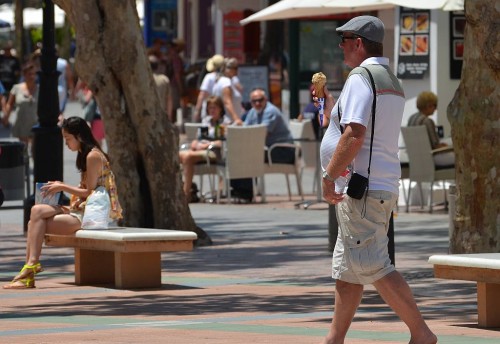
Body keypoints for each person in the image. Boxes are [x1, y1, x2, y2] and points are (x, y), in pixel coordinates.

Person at [319, 16, 437, 343]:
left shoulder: (361, 77)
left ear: (359, 43)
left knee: (375, 266)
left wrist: (329, 176)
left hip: (361, 190)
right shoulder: (391, 80)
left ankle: (422, 333)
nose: (340, 46)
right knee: (348, 273)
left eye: (344, 40)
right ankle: (334, 338)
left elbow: (354, 133)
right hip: (379, 186)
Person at [3, 116, 122, 289]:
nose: (66, 144)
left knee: (34, 223)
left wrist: (62, 187)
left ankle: (29, 272)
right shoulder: (85, 154)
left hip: (90, 214)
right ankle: (30, 267)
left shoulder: (93, 156)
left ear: (79, 136)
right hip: (81, 208)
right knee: (36, 211)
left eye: (67, 139)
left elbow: (90, 192)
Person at [179, 96, 229, 202]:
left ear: (220, 108)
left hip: (215, 152)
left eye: (215, 107)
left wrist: (207, 145)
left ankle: (185, 193)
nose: (212, 110)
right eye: (210, 108)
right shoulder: (206, 121)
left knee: (187, 156)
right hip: (201, 150)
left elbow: (223, 142)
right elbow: (200, 138)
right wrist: (195, 143)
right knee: (179, 155)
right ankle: (185, 187)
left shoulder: (224, 123)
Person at [245, 88, 295, 164]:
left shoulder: (271, 111)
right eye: (254, 101)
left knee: (248, 156)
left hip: (284, 150)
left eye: (260, 100)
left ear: (265, 99)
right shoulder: (252, 111)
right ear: (250, 102)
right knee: (242, 155)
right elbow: (245, 130)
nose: (257, 103)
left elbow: (261, 135)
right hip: (270, 149)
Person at [407, 91, 454, 167]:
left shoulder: (411, 118)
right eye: (435, 106)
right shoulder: (427, 121)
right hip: (430, 159)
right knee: (461, 157)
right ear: (428, 105)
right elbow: (436, 147)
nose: (436, 109)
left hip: (416, 159)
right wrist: (451, 148)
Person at [1, 63, 38, 148]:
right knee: (23, 149)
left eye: (34, 74)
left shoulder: (39, 89)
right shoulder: (16, 88)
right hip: (22, 123)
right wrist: (6, 118)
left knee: (36, 150)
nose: (32, 76)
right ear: (24, 75)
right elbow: (10, 104)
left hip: (35, 123)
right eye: (29, 74)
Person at [193, 54, 224, 122]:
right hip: (221, 112)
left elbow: (202, 94)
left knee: (206, 130)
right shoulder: (225, 78)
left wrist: (197, 111)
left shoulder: (208, 77)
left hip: (209, 111)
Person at [212, 58, 243, 125]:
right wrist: (236, 119)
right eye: (234, 68)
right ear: (227, 69)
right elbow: (227, 102)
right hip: (229, 122)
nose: (237, 70)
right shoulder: (226, 82)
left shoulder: (222, 81)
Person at [149, 55, 173, 121]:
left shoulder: (144, 79)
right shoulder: (164, 79)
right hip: (161, 116)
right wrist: (169, 116)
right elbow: (169, 100)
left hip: (147, 116)